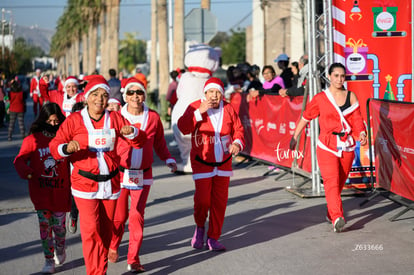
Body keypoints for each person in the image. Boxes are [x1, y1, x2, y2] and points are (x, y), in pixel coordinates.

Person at [49, 75, 147, 275]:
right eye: (95, 95)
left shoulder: (116, 118)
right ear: (86, 97)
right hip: (84, 184)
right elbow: (54, 146)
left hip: (110, 184)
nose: (100, 100)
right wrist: (67, 147)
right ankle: (96, 273)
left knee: (104, 232)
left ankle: (99, 270)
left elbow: (140, 141)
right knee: (91, 232)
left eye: (104, 95)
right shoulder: (75, 120)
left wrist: (132, 133)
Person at [109, 77, 177, 272]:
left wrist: (169, 159)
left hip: (143, 175)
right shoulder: (116, 116)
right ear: (125, 96)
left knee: (137, 215)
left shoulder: (153, 117)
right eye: (131, 92)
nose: (135, 96)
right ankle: (113, 244)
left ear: (144, 96)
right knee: (119, 217)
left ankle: (133, 258)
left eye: (139, 92)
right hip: (120, 174)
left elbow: (160, 144)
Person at [290, 63, 367, 233]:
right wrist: (295, 136)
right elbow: (305, 117)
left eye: (342, 76)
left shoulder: (351, 96)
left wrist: (361, 133)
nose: (339, 79)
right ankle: (338, 217)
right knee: (331, 182)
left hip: (346, 145)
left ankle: (330, 213)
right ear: (329, 77)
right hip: (326, 145)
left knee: (339, 183)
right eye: (336, 75)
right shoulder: (320, 98)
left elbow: (357, 120)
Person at [177, 77, 245, 251]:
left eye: (218, 93)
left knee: (219, 202)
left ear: (222, 94)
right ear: (205, 93)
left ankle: (213, 237)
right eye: (211, 92)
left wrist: (237, 143)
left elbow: (238, 129)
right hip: (202, 162)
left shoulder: (228, 108)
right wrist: (199, 112)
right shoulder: (195, 106)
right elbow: (183, 128)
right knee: (202, 200)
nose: (214, 96)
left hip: (223, 162)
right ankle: (200, 228)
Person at [14, 103, 70, 274]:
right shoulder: (32, 140)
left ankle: (60, 249)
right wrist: (28, 172)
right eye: (50, 121)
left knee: (59, 228)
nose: (53, 124)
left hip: (61, 192)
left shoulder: (65, 138)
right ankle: (48, 260)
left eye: (56, 121)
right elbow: (19, 160)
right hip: (41, 192)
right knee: (45, 227)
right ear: (43, 120)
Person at [171, 44, 220, 173]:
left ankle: (188, 161)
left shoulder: (186, 78)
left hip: (183, 115)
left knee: (185, 143)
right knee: (201, 142)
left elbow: (178, 94)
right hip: (204, 117)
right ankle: (201, 161)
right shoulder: (212, 80)